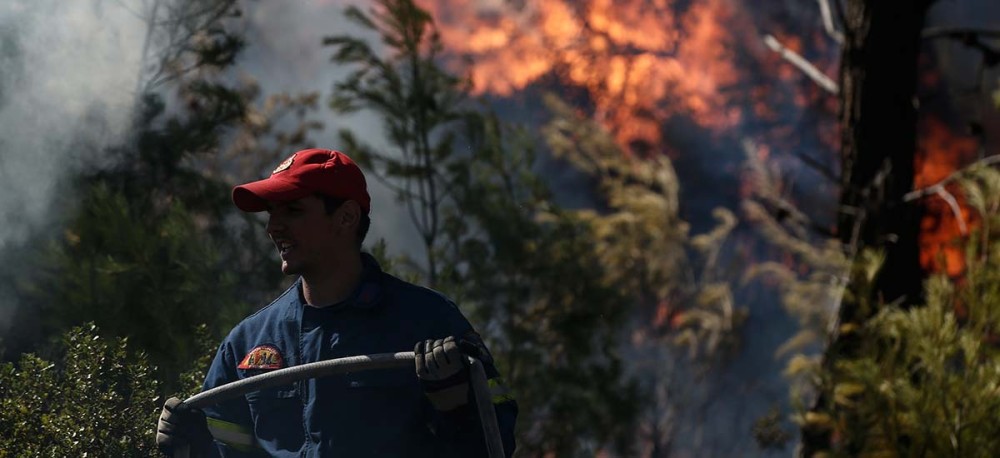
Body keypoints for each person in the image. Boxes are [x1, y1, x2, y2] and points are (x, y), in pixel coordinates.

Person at [155, 148, 517, 457]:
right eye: (271, 214)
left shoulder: (428, 321)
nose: (273, 227)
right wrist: (192, 442)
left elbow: (496, 443)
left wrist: (455, 406)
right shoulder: (247, 343)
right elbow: (230, 450)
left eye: (292, 211)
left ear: (345, 217)